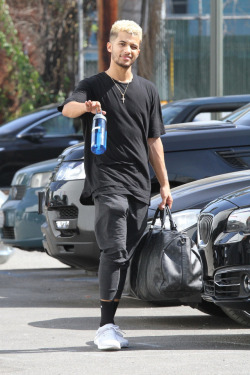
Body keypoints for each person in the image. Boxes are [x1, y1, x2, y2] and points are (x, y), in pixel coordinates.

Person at [59, 19, 173, 350]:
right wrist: (87, 107)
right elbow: (68, 109)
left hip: (139, 183)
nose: (128, 50)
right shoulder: (92, 85)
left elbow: (154, 141)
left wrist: (164, 185)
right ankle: (105, 326)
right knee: (114, 248)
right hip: (107, 181)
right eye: (123, 43)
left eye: (134, 46)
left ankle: (112, 322)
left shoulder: (148, 90)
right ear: (110, 46)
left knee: (124, 254)